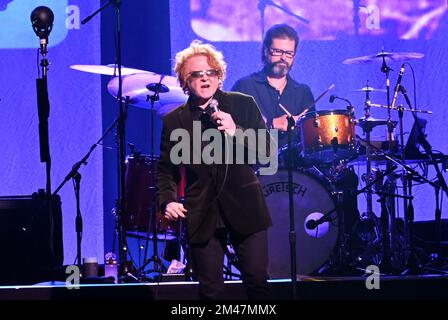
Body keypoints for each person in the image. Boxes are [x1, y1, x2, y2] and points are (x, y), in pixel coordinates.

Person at [156, 40, 273, 300]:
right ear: (185, 82)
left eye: (210, 72)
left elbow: (267, 152)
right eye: (196, 75)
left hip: (245, 206)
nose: (205, 79)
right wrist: (168, 200)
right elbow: (166, 169)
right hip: (202, 211)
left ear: (219, 77)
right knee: (210, 292)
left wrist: (236, 130)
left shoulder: (242, 104)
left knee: (257, 283)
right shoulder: (175, 120)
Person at [231, 23, 315, 149]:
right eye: (277, 51)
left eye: (289, 53)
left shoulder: (303, 92)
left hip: (294, 167)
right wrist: (272, 123)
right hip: (253, 165)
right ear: (266, 51)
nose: (283, 58)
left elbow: (313, 140)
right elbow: (231, 130)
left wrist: (304, 126)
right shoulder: (244, 87)